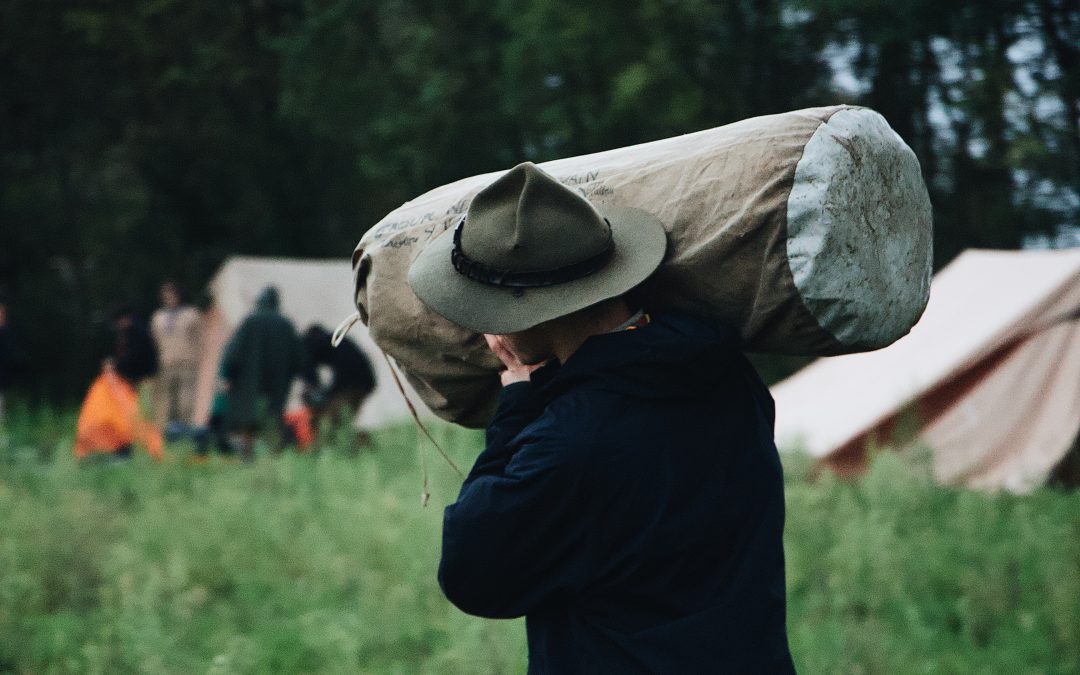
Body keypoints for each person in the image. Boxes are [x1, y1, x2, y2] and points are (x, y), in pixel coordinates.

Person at [407, 162, 795, 673]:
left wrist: (517, 409)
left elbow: (473, 574)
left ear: (533, 312)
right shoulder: (726, 375)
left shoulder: (569, 444)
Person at [219, 286, 305, 460]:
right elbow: (299, 356)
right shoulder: (285, 324)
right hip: (276, 383)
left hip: (249, 383)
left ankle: (247, 455)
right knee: (273, 419)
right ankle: (273, 456)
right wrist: (309, 377)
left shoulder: (249, 322)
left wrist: (228, 375)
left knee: (248, 421)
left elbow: (233, 353)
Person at [301, 324, 376, 431]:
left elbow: (309, 372)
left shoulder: (311, 343)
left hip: (354, 384)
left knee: (330, 421)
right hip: (365, 381)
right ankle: (359, 442)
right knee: (340, 420)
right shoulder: (332, 340)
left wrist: (314, 393)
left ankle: (359, 443)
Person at [150, 281, 202, 434]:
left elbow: (199, 339)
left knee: (186, 398)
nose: (168, 298)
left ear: (178, 296)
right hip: (165, 362)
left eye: (171, 295)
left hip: (187, 362)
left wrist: (196, 358)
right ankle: (168, 430)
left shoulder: (191, 314)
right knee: (167, 398)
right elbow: (155, 340)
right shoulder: (158, 317)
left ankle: (185, 428)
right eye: (165, 296)